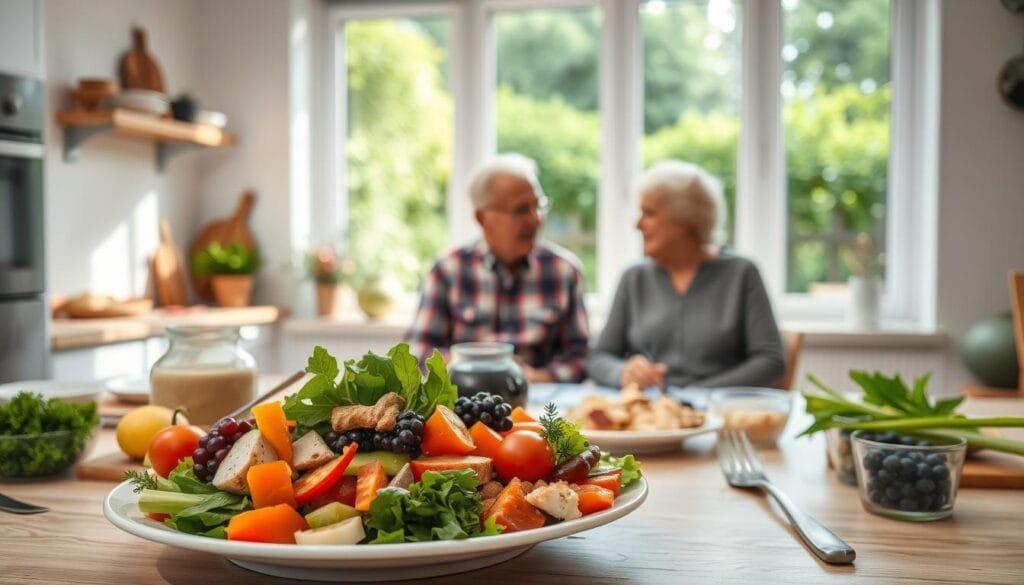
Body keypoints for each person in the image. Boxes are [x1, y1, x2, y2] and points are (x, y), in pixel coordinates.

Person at [586, 160, 785, 390]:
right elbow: (598, 357)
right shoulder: (634, 278)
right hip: (650, 416)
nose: (637, 225)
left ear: (686, 219)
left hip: (720, 417)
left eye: (649, 213)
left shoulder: (742, 273)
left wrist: (698, 395)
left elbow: (771, 362)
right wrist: (624, 372)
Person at [405, 153, 590, 383]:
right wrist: (473, 369)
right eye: (522, 210)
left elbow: (581, 357)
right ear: (483, 218)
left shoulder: (565, 270)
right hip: (466, 404)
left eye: (539, 206)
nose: (536, 220)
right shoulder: (448, 269)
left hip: (539, 404)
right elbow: (420, 351)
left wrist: (538, 376)